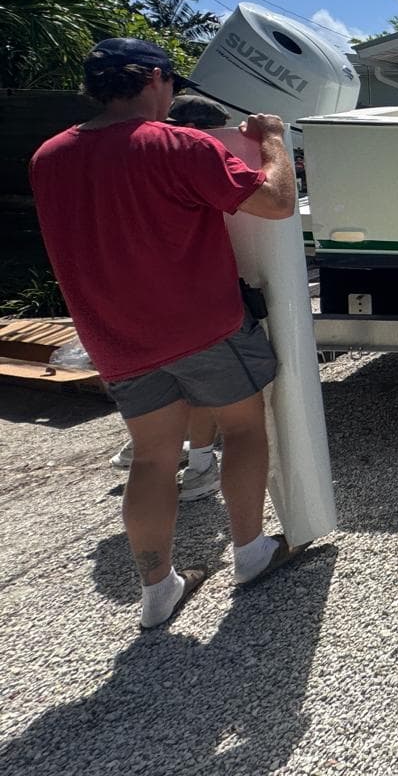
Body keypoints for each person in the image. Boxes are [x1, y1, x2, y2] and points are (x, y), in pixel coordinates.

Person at [30, 39, 301, 629]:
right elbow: (278, 202)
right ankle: (251, 552)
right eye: (172, 83)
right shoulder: (180, 145)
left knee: (152, 458)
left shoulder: (48, 157)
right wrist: (273, 140)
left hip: (117, 339)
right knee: (243, 428)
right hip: (203, 327)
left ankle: (158, 592)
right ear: (154, 78)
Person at [107, 91, 236, 495]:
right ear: (196, 130)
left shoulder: (126, 160)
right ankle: (200, 465)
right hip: (184, 300)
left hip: (128, 297)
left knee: (155, 382)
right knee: (202, 386)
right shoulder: (191, 159)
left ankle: (149, 445)